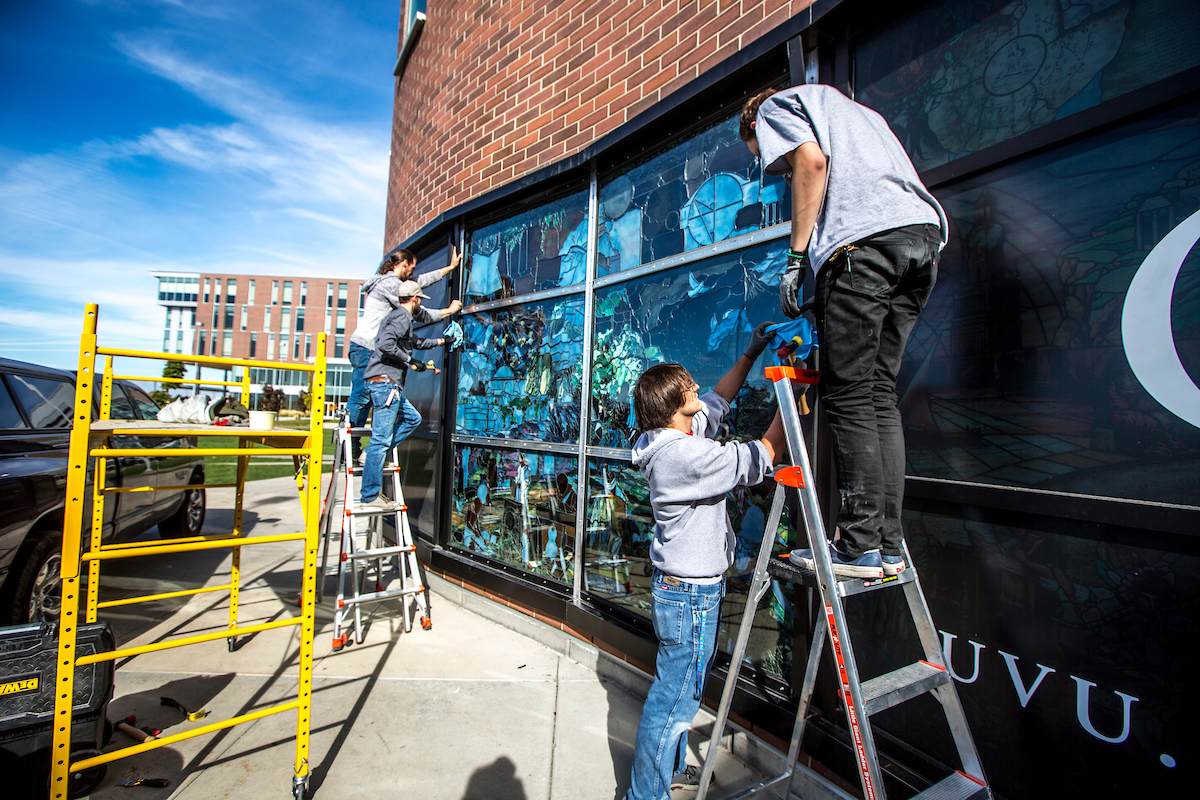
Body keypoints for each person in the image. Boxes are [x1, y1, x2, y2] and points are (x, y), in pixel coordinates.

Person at [740, 85, 948, 579]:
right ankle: (888, 544)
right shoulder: (850, 111)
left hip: (863, 248)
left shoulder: (773, 107)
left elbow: (811, 163)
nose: (778, 169)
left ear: (754, 127)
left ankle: (857, 545)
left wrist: (796, 259)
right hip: (919, 240)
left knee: (850, 395)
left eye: (770, 161)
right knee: (878, 394)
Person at [624, 325, 786, 800]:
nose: (697, 386)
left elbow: (718, 398)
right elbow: (764, 454)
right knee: (673, 702)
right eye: (688, 385)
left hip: (683, 592)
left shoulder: (673, 436)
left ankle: (667, 771)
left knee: (679, 692)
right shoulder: (685, 456)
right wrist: (793, 390)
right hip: (690, 596)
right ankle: (645, 794)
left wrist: (753, 352)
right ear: (674, 407)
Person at [346, 248, 462, 460]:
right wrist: (448, 311)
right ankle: (350, 448)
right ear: (404, 264)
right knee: (362, 397)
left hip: (369, 348)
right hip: (366, 347)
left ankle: (359, 449)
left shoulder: (394, 283)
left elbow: (422, 281)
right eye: (412, 268)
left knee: (368, 399)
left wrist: (450, 268)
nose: (413, 273)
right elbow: (421, 314)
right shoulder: (391, 285)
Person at [358, 280, 455, 510]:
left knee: (413, 418)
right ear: (415, 298)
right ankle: (370, 497)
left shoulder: (398, 318)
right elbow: (384, 345)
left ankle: (370, 454)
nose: (420, 304)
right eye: (420, 300)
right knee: (380, 440)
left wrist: (443, 341)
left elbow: (416, 343)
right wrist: (411, 361)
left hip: (386, 385)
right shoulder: (401, 317)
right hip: (385, 385)